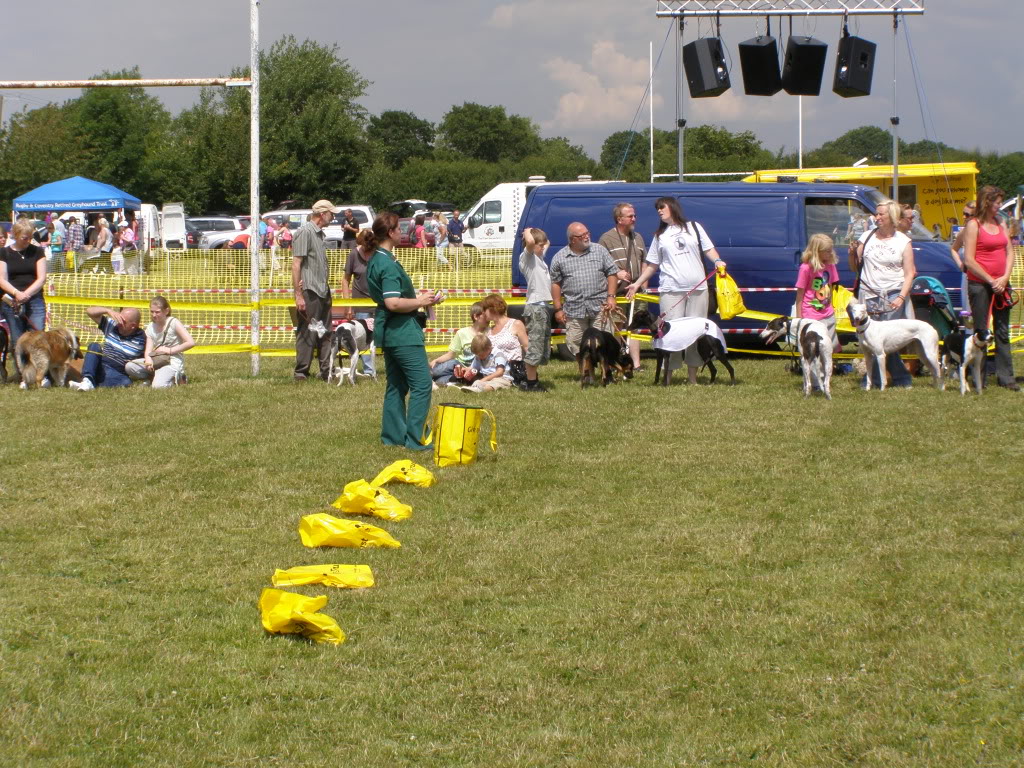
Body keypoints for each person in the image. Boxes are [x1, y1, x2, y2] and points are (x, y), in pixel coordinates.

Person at [625, 197, 726, 384]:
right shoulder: (659, 236)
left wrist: (718, 261)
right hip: (671, 291)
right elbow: (652, 264)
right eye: (657, 209)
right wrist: (637, 283)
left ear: (672, 207)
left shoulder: (694, 227)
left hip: (698, 289)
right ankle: (667, 378)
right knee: (668, 336)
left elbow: (709, 249)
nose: (659, 211)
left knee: (696, 334)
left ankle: (693, 378)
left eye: (661, 207)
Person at [365, 211, 444, 450]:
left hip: (390, 332)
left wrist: (418, 297)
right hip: (403, 333)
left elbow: (395, 298)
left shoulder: (376, 259)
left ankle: (393, 437)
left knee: (396, 386)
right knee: (421, 385)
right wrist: (420, 302)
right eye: (399, 229)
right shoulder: (386, 263)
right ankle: (416, 439)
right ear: (390, 232)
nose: (402, 232)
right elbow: (393, 303)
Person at [850, 198, 915, 389]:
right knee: (871, 340)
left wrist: (901, 297)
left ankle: (884, 379)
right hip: (869, 295)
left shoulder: (903, 241)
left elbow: (910, 273)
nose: (876, 217)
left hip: (893, 293)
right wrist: (851, 254)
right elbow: (855, 267)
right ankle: (892, 378)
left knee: (886, 341)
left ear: (892, 216)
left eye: (881, 214)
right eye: (876, 214)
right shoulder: (867, 237)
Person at [964, 185, 1019, 391]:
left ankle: (1006, 377)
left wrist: (1004, 278)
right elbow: (969, 260)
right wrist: (990, 279)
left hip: (1001, 284)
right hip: (979, 284)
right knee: (981, 330)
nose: (999, 207)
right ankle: (979, 377)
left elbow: (1009, 251)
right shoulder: (973, 225)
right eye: (997, 203)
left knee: (1002, 331)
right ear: (987, 202)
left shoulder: (1001, 222)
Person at [550, 222, 627, 358]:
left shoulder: (599, 250)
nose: (587, 237)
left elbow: (612, 273)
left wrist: (611, 297)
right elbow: (555, 283)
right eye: (582, 235)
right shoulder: (559, 257)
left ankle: (605, 374)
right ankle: (586, 373)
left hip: (600, 308)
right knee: (577, 345)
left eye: (587, 233)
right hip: (574, 310)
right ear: (573, 239)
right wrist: (558, 309)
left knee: (604, 342)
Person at [292, 199, 339, 382]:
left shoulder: (319, 234)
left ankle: (326, 370)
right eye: (331, 214)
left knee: (325, 331)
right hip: (309, 290)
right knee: (307, 331)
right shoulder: (305, 232)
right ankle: (301, 372)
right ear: (322, 214)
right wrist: (298, 295)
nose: (333, 217)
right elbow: (296, 265)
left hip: (322, 289)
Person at [598, 203, 646, 370]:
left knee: (635, 327)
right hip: (617, 291)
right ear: (619, 219)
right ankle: (616, 361)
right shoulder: (606, 238)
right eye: (630, 216)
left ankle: (636, 364)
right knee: (617, 326)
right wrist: (617, 274)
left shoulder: (638, 237)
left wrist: (643, 286)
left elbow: (644, 262)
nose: (634, 218)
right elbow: (600, 264)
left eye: (634, 215)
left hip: (637, 291)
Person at [124, 296, 195, 388]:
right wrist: (148, 359)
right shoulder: (150, 327)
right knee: (130, 366)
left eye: (157, 312)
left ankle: (178, 378)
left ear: (166, 311)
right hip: (156, 360)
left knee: (157, 387)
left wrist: (170, 351)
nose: (154, 315)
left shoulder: (174, 323)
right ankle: (154, 377)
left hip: (172, 362)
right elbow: (148, 349)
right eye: (152, 311)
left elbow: (190, 343)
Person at [69, 306, 147, 390]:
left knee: (126, 382)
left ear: (133, 326)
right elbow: (89, 311)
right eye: (118, 318)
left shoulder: (142, 338)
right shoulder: (112, 325)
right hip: (98, 365)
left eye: (122, 321)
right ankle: (87, 379)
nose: (118, 322)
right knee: (94, 346)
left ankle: (89, 383)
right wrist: (108, 311)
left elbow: (146, 357)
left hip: (115, 372)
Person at [0, 219, 48, 349]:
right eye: (25, 238)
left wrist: (26, 294)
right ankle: (21, 369)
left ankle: (39, 369)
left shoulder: (38, 251)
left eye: (30, 237)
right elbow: (2, 279)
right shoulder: (3, 253)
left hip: (35, 299)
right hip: (12, 301)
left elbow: (41, 278)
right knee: (18, 340)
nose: (28, 241)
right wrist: (16, 293)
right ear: (15, 235)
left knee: (38, 339)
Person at [794, 233, 842, 352]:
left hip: (828, 312)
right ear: (816, 251)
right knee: (814, 347)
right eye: (827, 251)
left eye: (831, 250)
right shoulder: (805, 268)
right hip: (811, 313)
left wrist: (831, 306)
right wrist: (799, 317)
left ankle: (831, 368)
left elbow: (830, 286)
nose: (830, 253)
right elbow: (800, 294)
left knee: (831, 345)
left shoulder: (830, 265)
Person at [340, 228, 378, 377]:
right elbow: (345, 280)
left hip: (379, 303)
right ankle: (368, 371)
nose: (366, 250)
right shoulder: (353, 255)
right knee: (364, 339)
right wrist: (347, 305)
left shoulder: (378, 254)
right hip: (360, 304)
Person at [518, 227, 552, 391]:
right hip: (535, 307)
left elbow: (546, 243)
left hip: (543, 306)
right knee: (535, 346)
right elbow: (531, 241)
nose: (543, 247)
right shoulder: (527, 258)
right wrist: (528, 230)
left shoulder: (539, 259)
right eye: (540, 245)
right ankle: (531, 383)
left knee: (542, 346)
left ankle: (532, 377)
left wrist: (542, 238)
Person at [429, 302, 488, 386]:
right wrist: (437, 360)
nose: (489, 318)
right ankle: (422, 376)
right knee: (444, 367)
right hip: (458, 364)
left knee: (455, 380)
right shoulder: (462, 333)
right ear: (476, 316)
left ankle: (434, 382)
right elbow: (450, 354)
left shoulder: (490, 332)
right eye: (485, 316)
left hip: (474, 369)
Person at [481, 293, 528, 387]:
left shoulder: (516, 324)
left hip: (511, 371)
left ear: (491, 309)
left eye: (484, 310)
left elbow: (527, 347)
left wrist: (531, 372)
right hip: (490, 371)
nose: (483, 313)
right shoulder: (488, 331)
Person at [950, 201, 976, 310]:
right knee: (968, 311)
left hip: (982, 275)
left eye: (967, 215)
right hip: (968, 275)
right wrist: (961, 265)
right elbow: (953, 249)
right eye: (963, 213)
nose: (964, 217)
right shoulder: (964, 231)